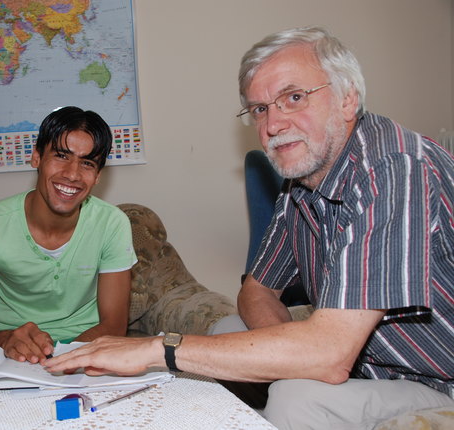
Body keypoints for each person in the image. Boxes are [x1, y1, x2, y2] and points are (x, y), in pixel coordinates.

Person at [45, 27, 454, 429]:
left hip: (435, 379)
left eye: (294, 97)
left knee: (298, 398)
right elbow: (257, 290)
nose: (273, 124)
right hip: (367, 365)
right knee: (230, 329)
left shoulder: (394, 169)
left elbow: (330, 352)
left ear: (348, 100)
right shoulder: (301, 184)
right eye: (260, 109)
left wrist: (159, 348)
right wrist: (298, 356)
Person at [0, 106, 137, 365]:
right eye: (61, 156)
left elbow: (115, 324)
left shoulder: (112, 224)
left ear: (97, 176)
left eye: (87, 163)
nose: (73, 174)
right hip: (9, 354)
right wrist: (6, 339)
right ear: (37, 158)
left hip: (86, 350)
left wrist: (61, 359)